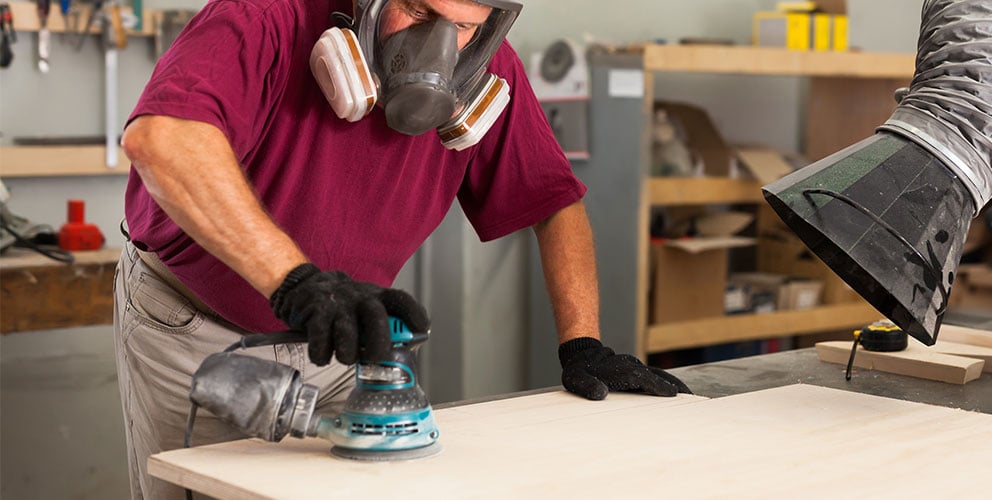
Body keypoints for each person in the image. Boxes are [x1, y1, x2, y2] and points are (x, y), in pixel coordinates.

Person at [114, 0, 690, 498]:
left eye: (465, 27)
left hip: (342, 336)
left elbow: (553, 201)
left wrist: (582, 342)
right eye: (418, 11)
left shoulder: (489, 68)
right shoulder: (267, 16)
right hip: (199, 332)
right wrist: (297, 281)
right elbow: (162, 140)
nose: (440, 47)